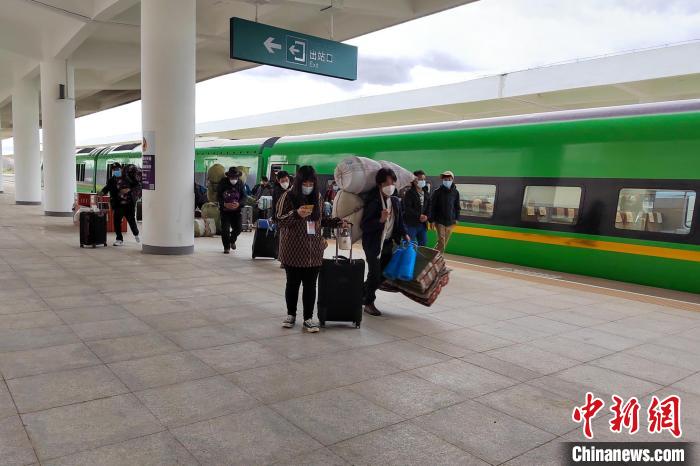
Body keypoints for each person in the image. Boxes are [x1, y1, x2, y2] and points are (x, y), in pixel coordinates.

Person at [276, 166, 340, 332]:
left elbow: (320, 220)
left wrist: (336, 222)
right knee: (293, 283)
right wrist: (296, 214)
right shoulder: (287, 196)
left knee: (311, 286)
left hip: (313, 250)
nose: (308, 185)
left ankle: (308, 318)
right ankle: (291, 314)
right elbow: (279, 221)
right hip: (293, 250)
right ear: (298, 182)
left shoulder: (317, 197)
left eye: (311, 182)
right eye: (305, 182)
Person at [361, 168, 409, 316]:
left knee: (384, 274)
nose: (391, 186)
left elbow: (399, 222)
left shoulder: (394, 201)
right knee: (375, 275)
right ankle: (369, 303)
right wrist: (380, 220)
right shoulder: (373, 201)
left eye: (393, 183)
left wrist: (405, 233)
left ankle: (360, 293)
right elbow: (365, 225)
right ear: (380, 184)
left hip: (388, 243)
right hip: (373, 244)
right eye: (388, 183)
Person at [101, 162, 140, 246]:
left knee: (131, 220)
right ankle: (119, 239)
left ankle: (136, 234)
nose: (116, 171)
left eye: (117, 169)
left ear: (121, 169)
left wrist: (129, 189)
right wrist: (102, 192)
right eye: (114, 170)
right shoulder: (111, 180)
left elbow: (137, 185)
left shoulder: (128, 178)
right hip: (118, 204)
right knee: (116, 221)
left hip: (129, 204)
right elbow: (107, 188)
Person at [429, 170, 461, 253]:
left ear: (452, 179)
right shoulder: (437, 192)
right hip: (439, 221)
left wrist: (457, 218)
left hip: (451, 221)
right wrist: (431, 220)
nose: (447, 181)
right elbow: (432, 207)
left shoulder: (456, 192)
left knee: (443, 242)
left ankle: (433, 255)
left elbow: (457, 206)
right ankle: (439, 258)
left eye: (449, 179)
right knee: (442, 240)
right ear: (443, 180)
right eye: (445, 179)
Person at [217, 167, 247, 254]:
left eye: (235, 178)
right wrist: (224, 204)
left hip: (236, 211)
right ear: (228, 176)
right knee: (225, 230)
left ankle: (232, 240)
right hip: (225, 211)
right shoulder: (223, 182)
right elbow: (218, 196)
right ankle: (226, 247)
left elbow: (244, 196)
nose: (234, 179)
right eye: (232, 177)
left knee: (238, 228)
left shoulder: (240, 183)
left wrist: (239, 204)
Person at [403, 170, 430, 246]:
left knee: (423, 243)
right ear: (414, 181)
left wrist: (426, 216)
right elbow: (407, 208)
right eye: (420, 179)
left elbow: (429, 206)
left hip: (422, 224)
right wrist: (419, 215)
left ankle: (419, 258)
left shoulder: (426, 193)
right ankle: (410, 258)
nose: (423, 181)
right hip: (411, 224)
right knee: (409, 244)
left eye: (424, 179)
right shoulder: (409, 193)